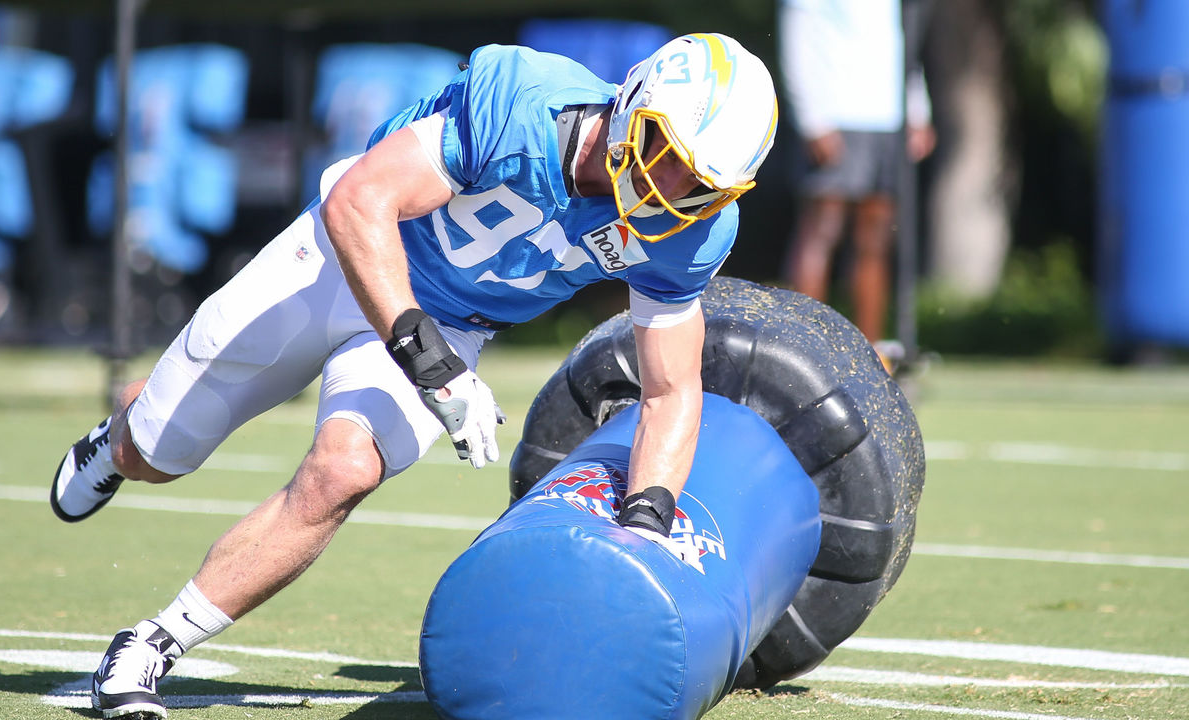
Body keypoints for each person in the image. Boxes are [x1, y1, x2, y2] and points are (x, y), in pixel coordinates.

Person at [50, 32, 778, 719]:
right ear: (633, 103)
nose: (667, 185)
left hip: (454, 322)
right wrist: (428, 360)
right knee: (153, 456)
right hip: (341, 261)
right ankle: (119, 438)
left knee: (343, 472)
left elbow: (669, 389)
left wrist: (645, 522)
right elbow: (360, 201)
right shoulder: (524, 100)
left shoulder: (691, 230)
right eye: (665, 151)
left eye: (698, 181)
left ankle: (152, 643)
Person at [779, 0, 935, 372]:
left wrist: (918, 109)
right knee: (822, 230)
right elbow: (798, 40)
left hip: (886, 119)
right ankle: (800, 350)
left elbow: (902, 44)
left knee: (875, 240)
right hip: (836, 115)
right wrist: (812, 117)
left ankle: (870, 355)